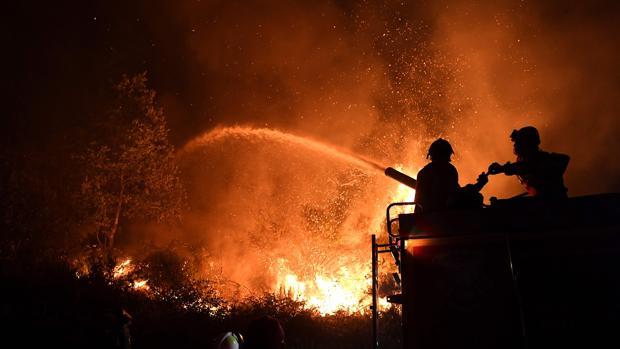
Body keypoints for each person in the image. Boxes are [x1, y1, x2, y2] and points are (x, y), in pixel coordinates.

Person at [488, 126, 569, 199]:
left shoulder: (541, 160)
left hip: (553, 205)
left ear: (526, 144)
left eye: (518, 143)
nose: (515, 146)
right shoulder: (537, 160)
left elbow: (527, 166)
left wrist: (502, 168)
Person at [415, 138, 488, 213]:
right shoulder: (449, 171)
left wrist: (479, 184)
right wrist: (479, 184)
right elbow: (456, 194)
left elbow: (457, 193)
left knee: (476, 197)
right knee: (476, 198)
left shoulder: (424, 172)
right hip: (441, 215)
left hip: (431, 216)